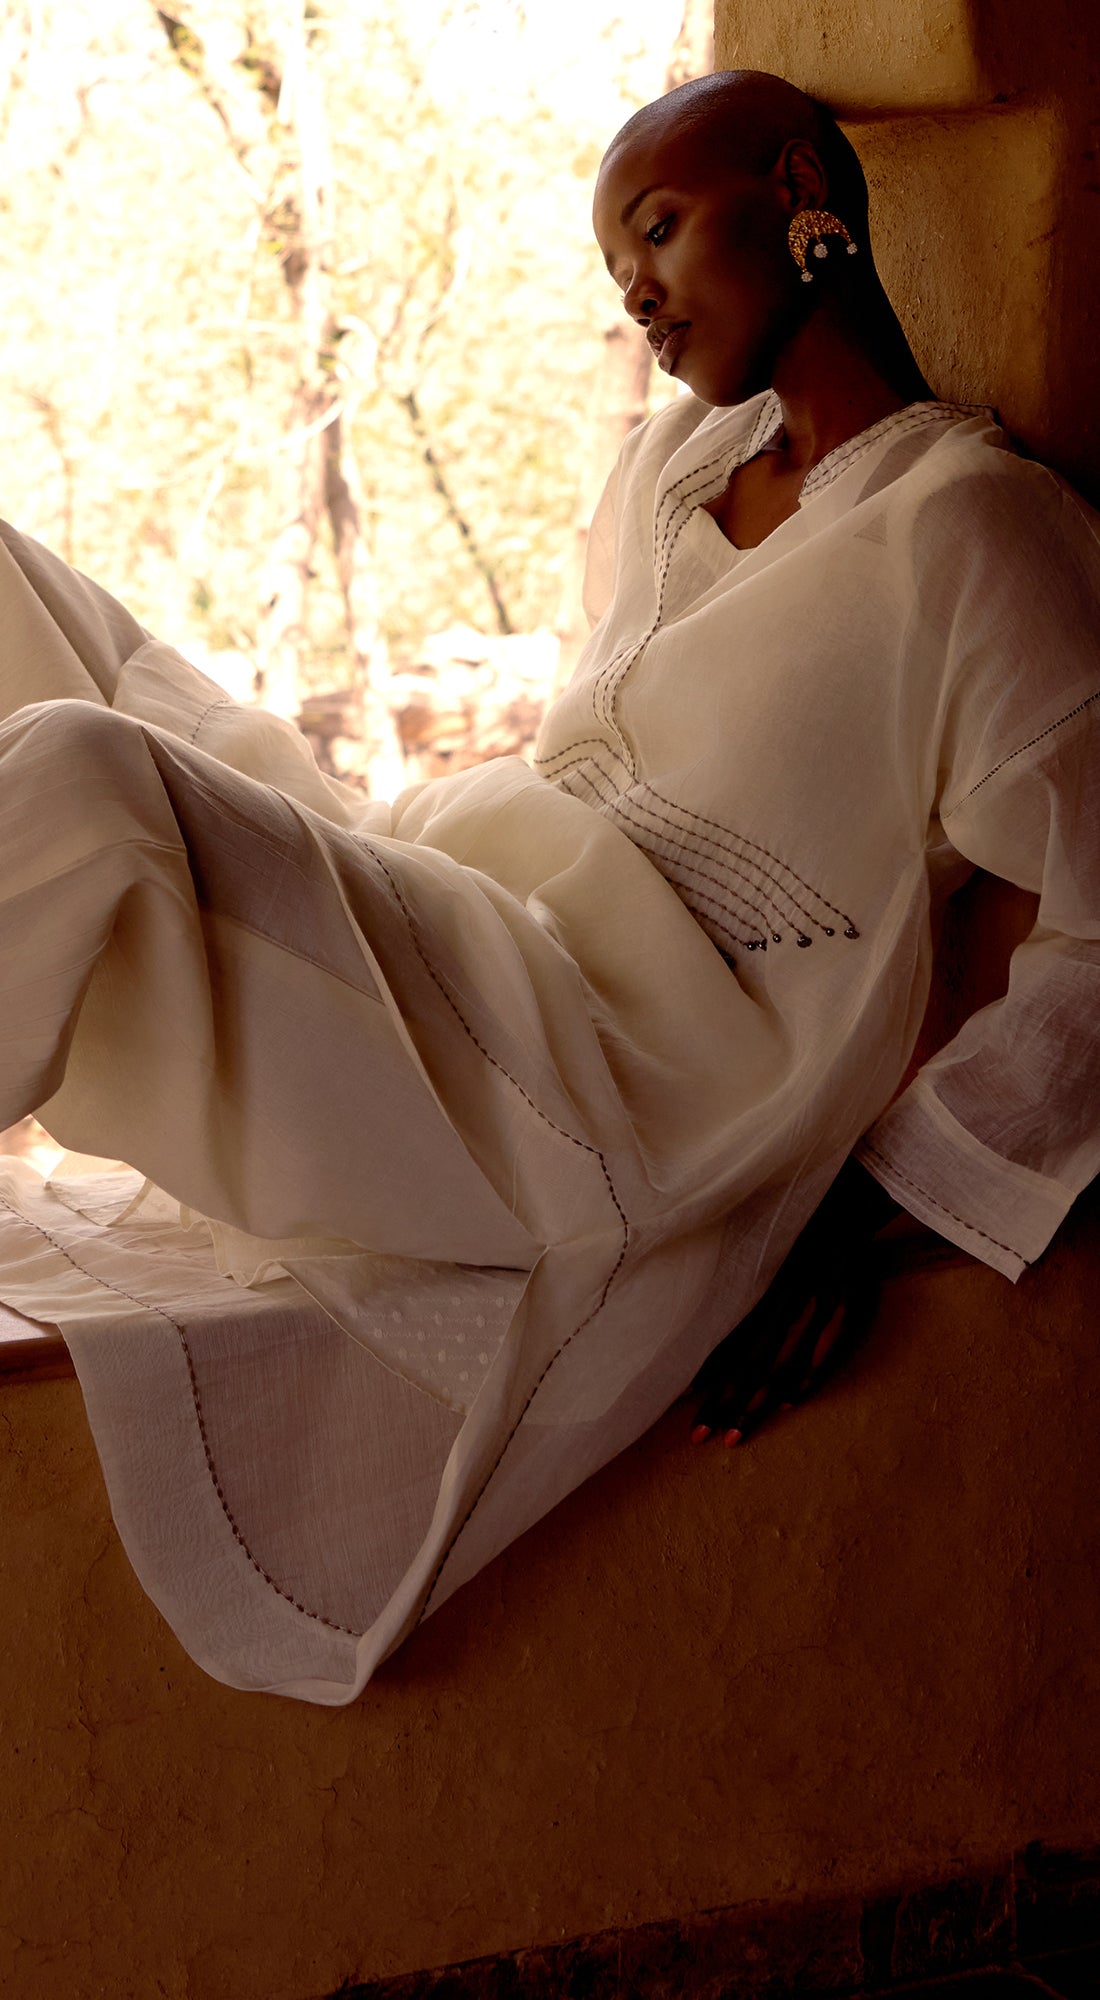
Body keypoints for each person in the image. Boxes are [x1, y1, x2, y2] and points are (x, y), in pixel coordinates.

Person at [0, 69, 1097, 1703]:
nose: (637, 293)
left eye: (659, 229)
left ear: (802, 186)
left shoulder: (971, 533)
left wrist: (892, 1203)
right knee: (14, 585)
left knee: (85, 774)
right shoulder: (673, 469)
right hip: (456, 910)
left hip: (592, 1095)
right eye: (616, 264)